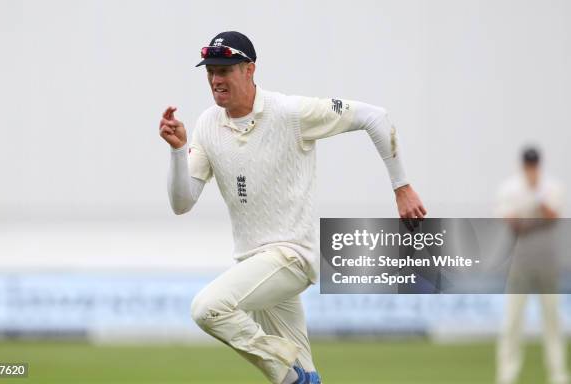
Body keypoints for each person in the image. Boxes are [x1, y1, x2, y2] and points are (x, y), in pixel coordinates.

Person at [159, 31, 426, 384]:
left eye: (224, 69)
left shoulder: (290, 113)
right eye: (210, 70)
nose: (215, 79)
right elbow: (182, 203)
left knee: (208, 309)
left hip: (292, 255)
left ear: (249, 69)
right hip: (254, 263)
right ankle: (299, 377)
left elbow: (375, 117)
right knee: (310, 376)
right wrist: (179, 151)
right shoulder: (208, 123)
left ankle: (288, 374)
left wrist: (402, 187)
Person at [495, 147, 568, 384]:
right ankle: (507, 373)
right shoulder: (510, 188)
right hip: (521, 259)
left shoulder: (551, 187)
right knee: (513, 318)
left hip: (547, 259)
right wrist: (535, 216)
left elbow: (552, 215)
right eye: (528, 165)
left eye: (534, 165)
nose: (531, 169)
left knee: (551, 317)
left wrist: (536, 196)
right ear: (522, 165)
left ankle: (557, 373)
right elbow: (513, 223)